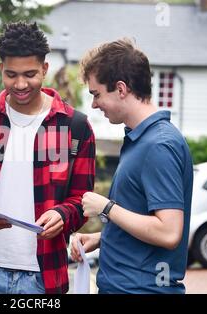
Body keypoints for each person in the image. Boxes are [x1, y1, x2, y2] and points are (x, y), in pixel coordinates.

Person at [0, 22, 96, 294]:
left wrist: (63, 214)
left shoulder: (75, 128)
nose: (20, 84)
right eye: (11, 74)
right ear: (1, 69)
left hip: (44, 276)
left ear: (45, 69)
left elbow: (83, 200)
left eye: (30, 74)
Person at [71, 39, 193, 294]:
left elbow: (169, 232)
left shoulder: (158, 146)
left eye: (96, 94)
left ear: (121, 88)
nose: (93, 104)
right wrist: (102, 239)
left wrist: (106, 208)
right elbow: (145, 221)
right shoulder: (142, 139)